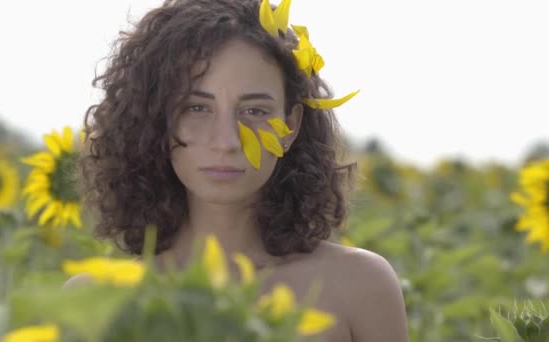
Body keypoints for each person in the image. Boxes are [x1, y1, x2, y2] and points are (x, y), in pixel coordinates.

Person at [69, 0, 409, 340]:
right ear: (155, 121)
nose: (226, 141)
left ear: (290, 127)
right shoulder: (92, 302)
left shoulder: (358, 286)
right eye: (197, 107)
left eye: (255, 111)